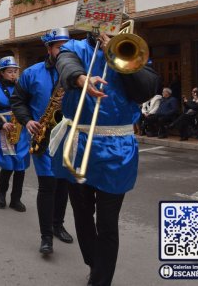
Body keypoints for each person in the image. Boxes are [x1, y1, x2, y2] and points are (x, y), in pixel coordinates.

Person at [52, 23, 159, 286]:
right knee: (82, 214)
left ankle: (100, 280)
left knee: (108, 222)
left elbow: (146, 89)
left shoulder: (133, 50)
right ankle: (94, 263)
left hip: (118, 147)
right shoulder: (73, 48)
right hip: (79, 142)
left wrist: (117, 54)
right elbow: (65, 64)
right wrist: (80, 79)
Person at [11, 28, 74, 255]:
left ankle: (58, 225)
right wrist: (27, 121)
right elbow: (18, 101)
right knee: (48, 186)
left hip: (70, 136)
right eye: (59, 47)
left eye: (67, 46)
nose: (64, 51)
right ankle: (46, 236)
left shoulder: (78, 71)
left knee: (64, 185)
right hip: (44, 135)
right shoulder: (31, 73)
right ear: (49, 49)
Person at [0, 56, 30, 212]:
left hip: (21, 130)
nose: (14, 75)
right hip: (5, 130)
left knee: (21, 166)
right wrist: (2, 124)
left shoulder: (23, 89)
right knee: (8, 166)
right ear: (1, 73)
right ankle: (1, 193)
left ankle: (16, 199)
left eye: (16, 71)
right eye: (10, 72)